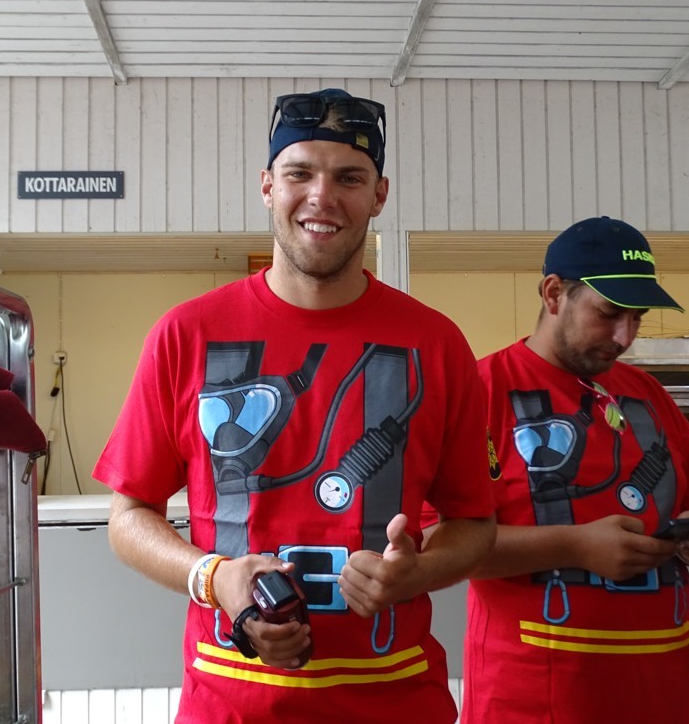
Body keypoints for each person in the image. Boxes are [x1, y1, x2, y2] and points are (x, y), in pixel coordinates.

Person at [92, 88, 496, 723]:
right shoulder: (186, 334)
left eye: (349, 178)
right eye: (299, 173)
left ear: (379, 195)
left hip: (397, 701)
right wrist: (214, 578)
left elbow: (475, 523)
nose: (322, 196)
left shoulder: (435, 344)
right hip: (228, 705)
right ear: (267, 186)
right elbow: (128, 517)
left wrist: (417, 573)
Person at [459, 216, 689, 723]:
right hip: (535, 697)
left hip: (665, 689)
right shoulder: (482, 392)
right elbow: (442, 545)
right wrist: (575, 545)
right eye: (608, 314)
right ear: (554, 294)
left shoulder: (648, 394)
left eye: (637, 318)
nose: (624, 336)